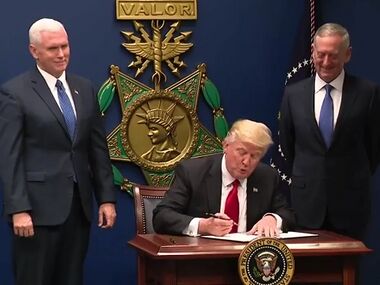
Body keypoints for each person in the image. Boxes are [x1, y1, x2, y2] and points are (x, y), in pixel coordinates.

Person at [0, 18, 116, 285]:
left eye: (65, 46)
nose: (62, 54)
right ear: (34, 51)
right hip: (36, 213)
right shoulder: (14, 93)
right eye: (53, 48)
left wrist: (107, 198)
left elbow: (97, 148)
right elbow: (9, 157)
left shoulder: (85, 88)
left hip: (78, 209)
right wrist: (18, 209)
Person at [279, 23, 380, 239]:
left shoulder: (368, 93)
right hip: (306, 204)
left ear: (347, 54)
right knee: (308, 273)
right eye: (321, 54)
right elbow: (288, 146)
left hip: (351, 205)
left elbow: (374, 148)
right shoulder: (293, 94)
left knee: (349, 271)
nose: (325, 62)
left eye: (333, 56)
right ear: (313, 51)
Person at [153, 119, 295, 237]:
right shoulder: (193, 172)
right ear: (226, 146)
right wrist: (204, 226)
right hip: (203, 258)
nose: (246, 161)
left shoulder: (267, 177)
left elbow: (287, 213)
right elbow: (162, 216)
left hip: (250, 260)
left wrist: (273, 219)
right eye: (242, 152)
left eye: (254, 156)